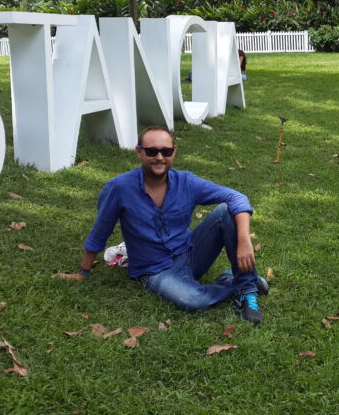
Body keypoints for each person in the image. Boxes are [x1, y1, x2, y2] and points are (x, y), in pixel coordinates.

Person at [57, 126, 268, 323]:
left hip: (191, 252)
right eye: (152, 151)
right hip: (155, 270)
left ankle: (246, 290)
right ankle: (233, 281)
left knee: (225, 211)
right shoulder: (119, 188)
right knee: (194, 300)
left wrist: (243, 240)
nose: (159, 157)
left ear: (174, 152)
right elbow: (100, 231)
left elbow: (237, 197)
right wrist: (83, 273)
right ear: (139, 152)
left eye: (166, 152)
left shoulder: (186, 182)